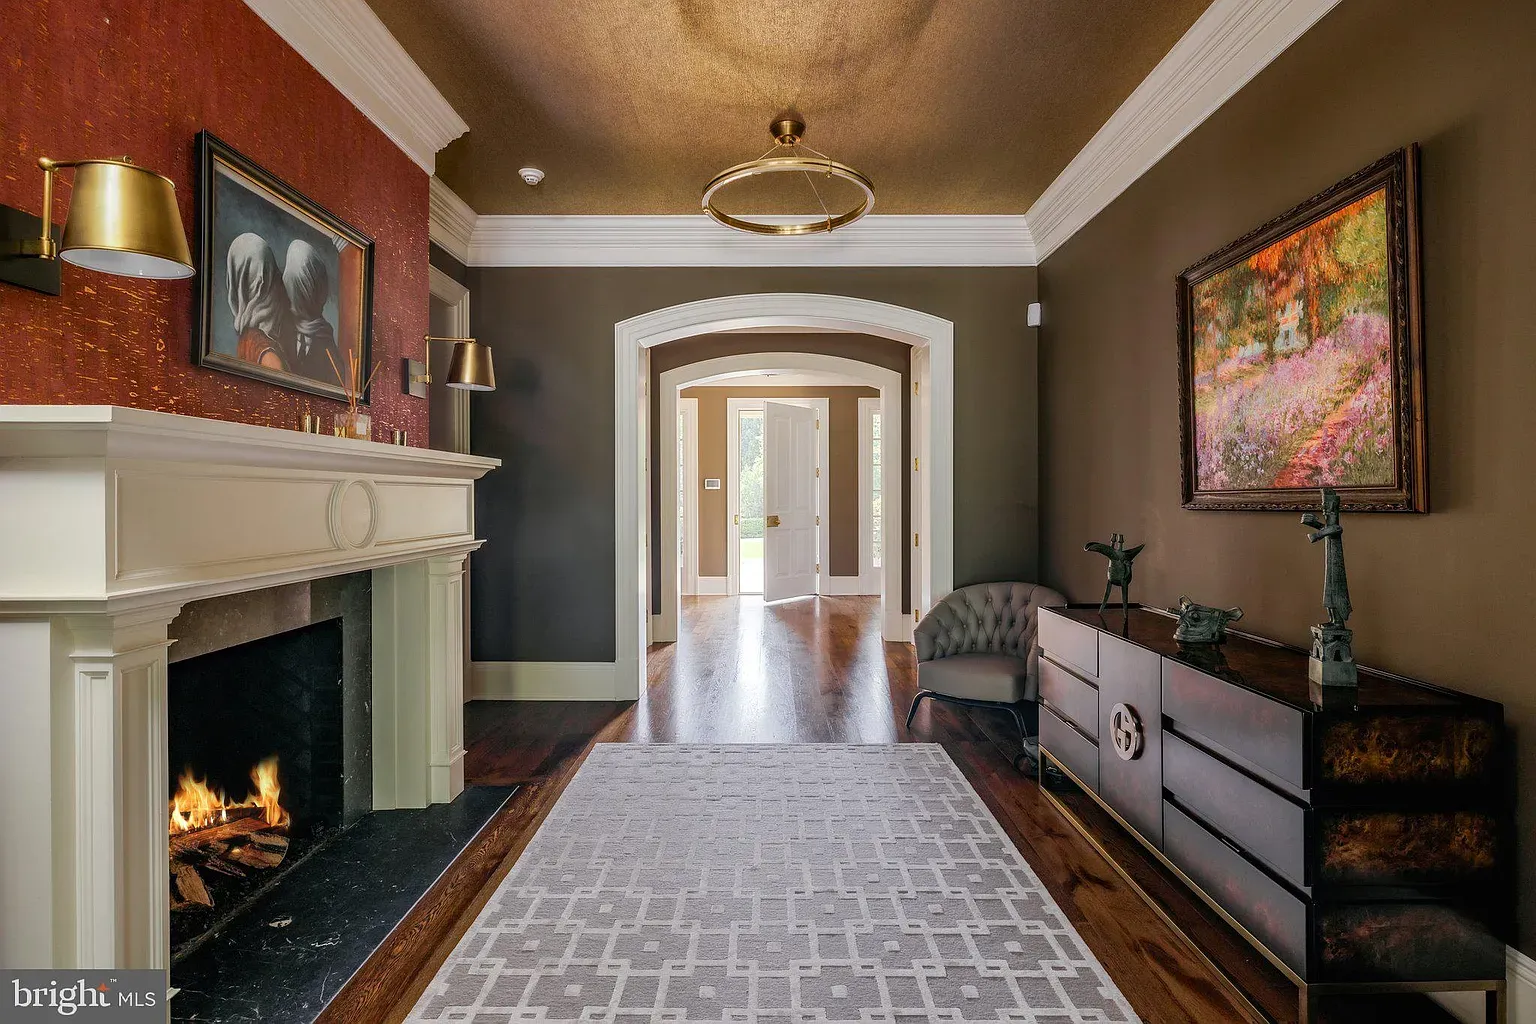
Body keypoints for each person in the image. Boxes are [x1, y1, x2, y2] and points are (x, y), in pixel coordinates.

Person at [227, 233, 295, 371]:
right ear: (262, 285)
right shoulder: (267, 354)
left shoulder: (247, 338)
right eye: (275, 274)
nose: (280, 282)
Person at [282, 239, 339, 383]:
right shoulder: (279, 329)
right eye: (297, 283)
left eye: (306, 284)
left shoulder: (328, 347)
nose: (302, 292)